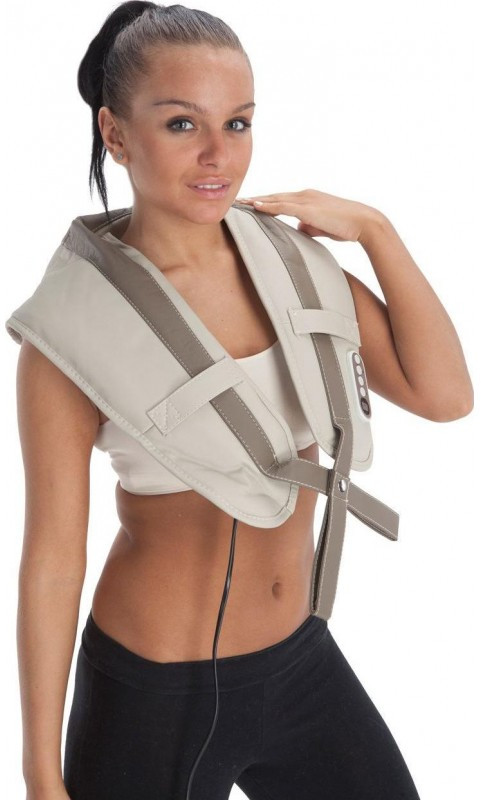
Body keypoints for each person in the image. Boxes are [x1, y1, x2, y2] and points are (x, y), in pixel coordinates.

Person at [13, 3, 473, 800]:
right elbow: (52, 561)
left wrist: (376, 231)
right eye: (181, 124)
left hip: (299, 663)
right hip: (153, 695)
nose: (217, 155)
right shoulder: (68, 331)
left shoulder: (294, 266)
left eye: (238, 122)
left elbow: (444, 396)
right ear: (115, 133)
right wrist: (38, 773)